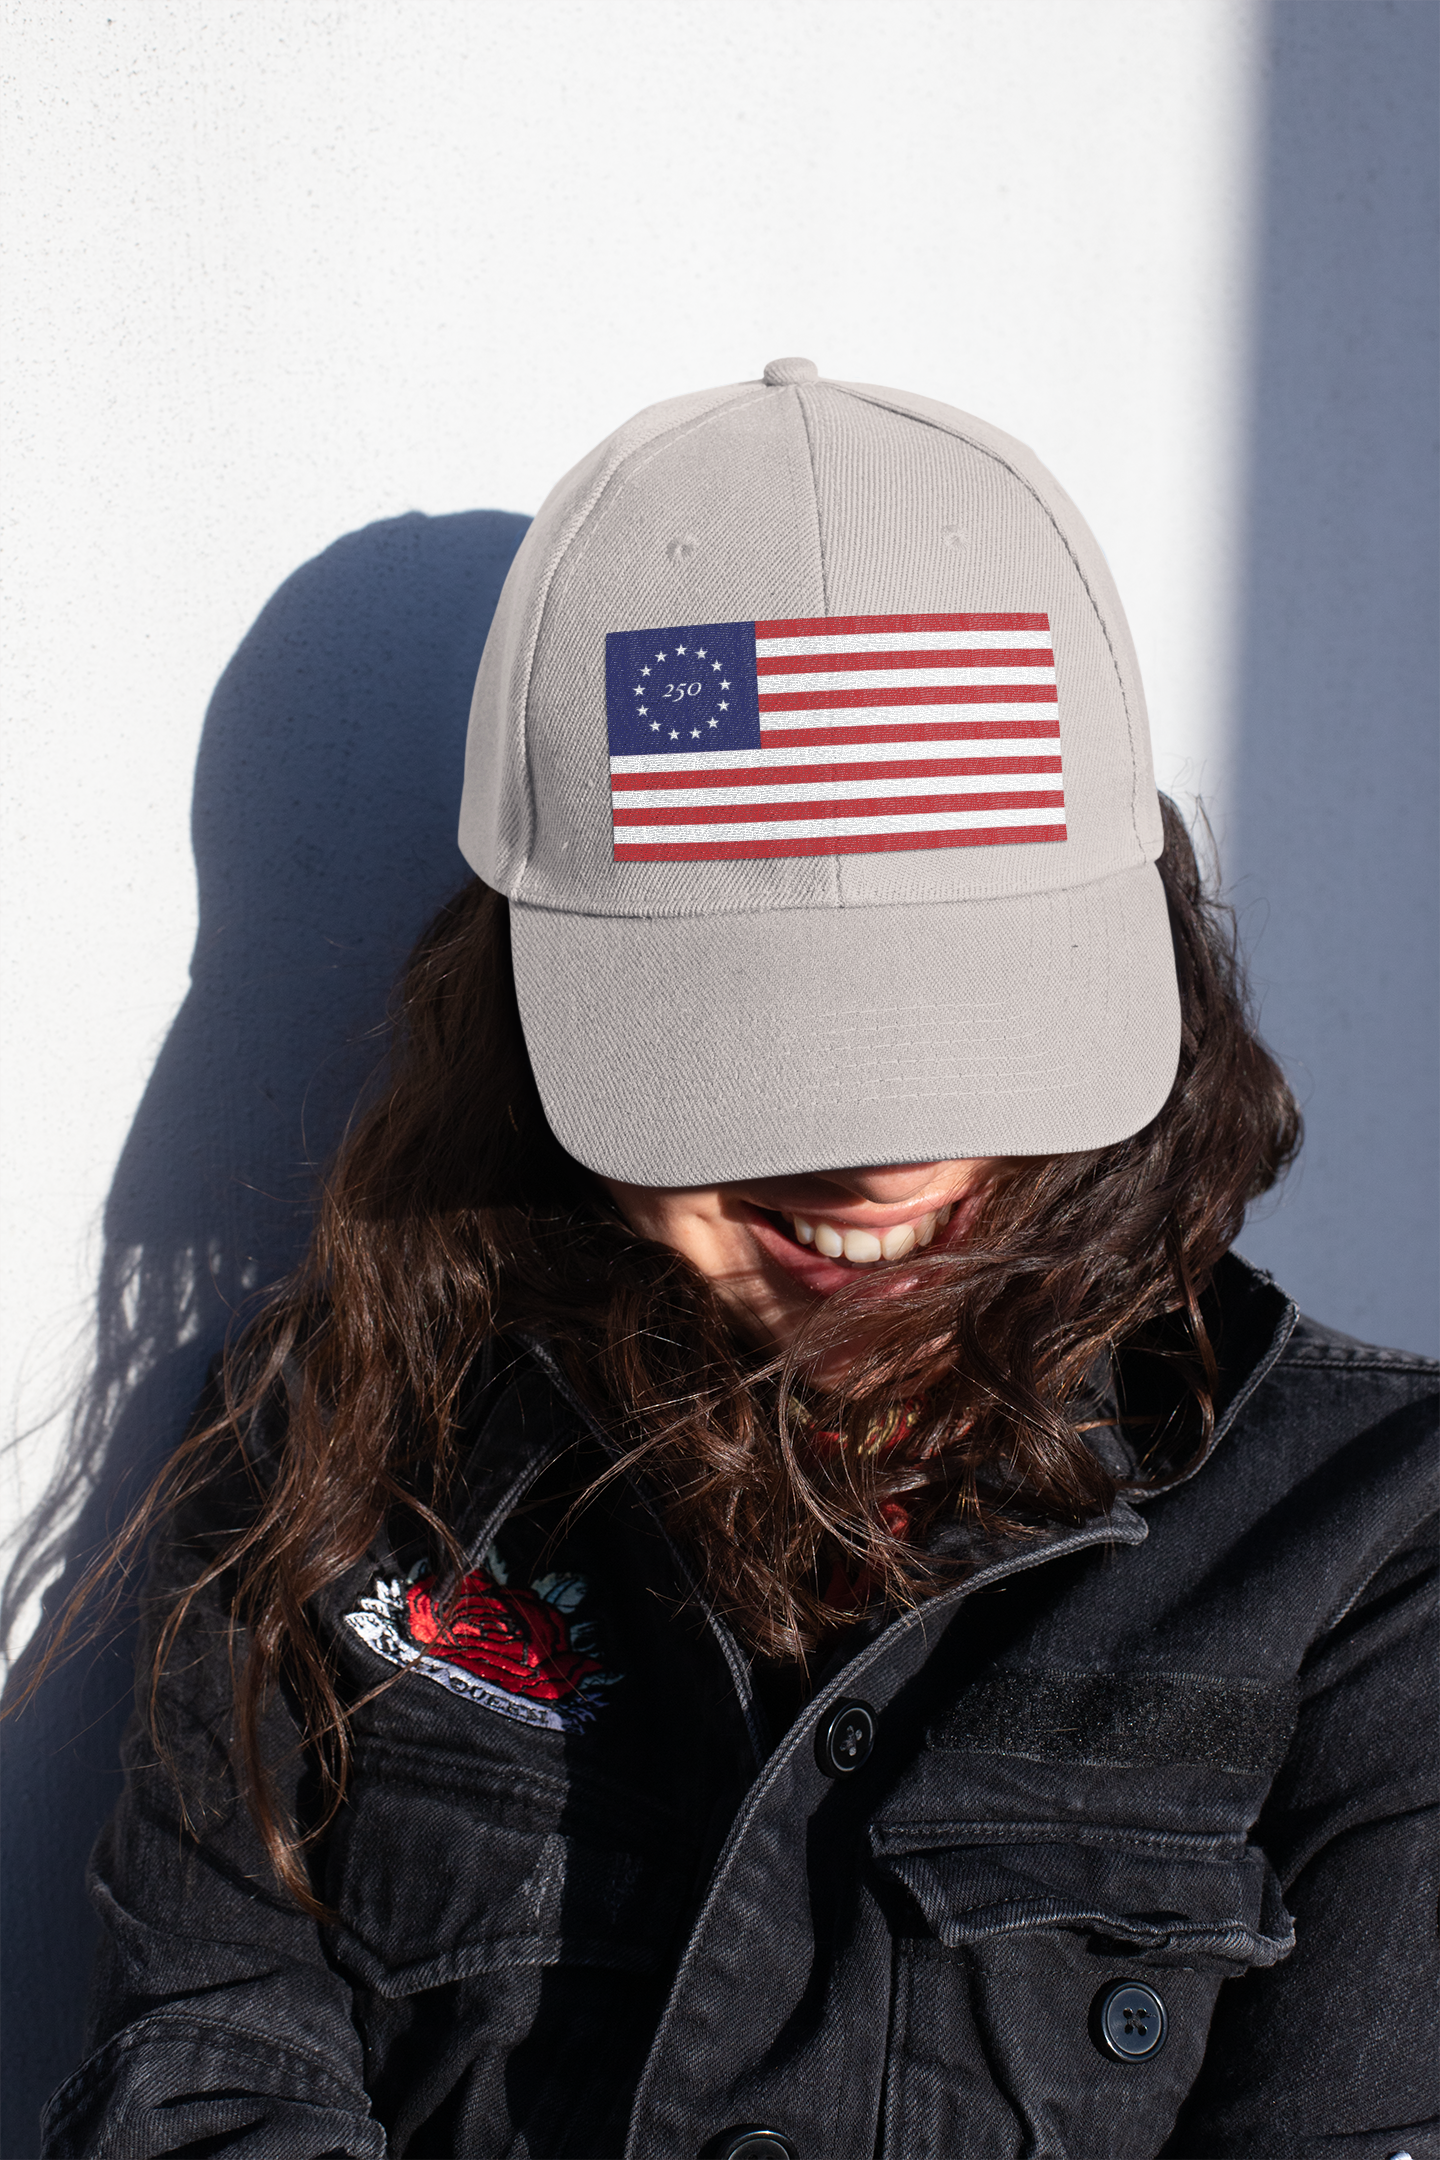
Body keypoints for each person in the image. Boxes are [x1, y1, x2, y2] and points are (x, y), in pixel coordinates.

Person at [37, 359, 1436, 2160]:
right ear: (528, 1018)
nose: (882, 1155)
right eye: (759, 1054)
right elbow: (209, 2069)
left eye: (967, 1033)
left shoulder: (1365, 1547)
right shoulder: (345, 1455)